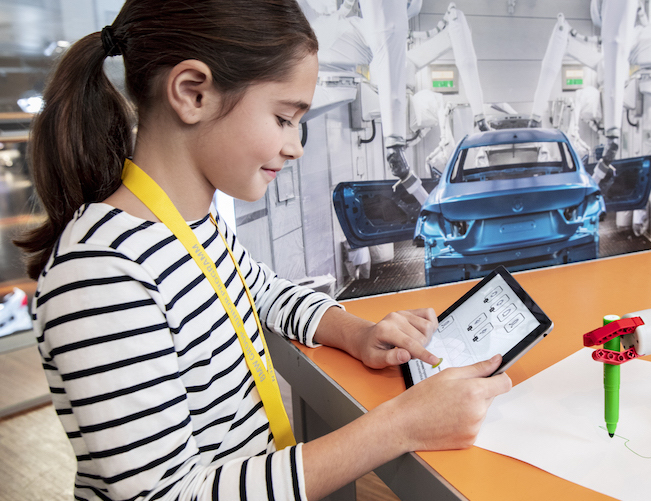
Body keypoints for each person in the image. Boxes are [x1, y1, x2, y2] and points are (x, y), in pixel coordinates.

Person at [14, 1, 512, 500]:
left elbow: (262, 291)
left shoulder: (195, 227)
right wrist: (399, 425)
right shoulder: (100, 274)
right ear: (192, 93)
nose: (295, 147)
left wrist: (357, 333)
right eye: (283, 118)